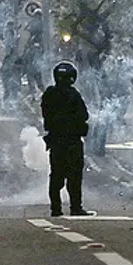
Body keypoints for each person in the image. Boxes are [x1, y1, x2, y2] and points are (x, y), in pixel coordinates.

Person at [41, 61, 92, 217]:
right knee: (74, 176)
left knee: (56, 175)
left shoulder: (49, 94)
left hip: (56, 141)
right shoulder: (74, 95)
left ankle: (55, 208)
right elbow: (84, 115)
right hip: (72, 141)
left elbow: (46, 115)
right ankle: (76, 207)